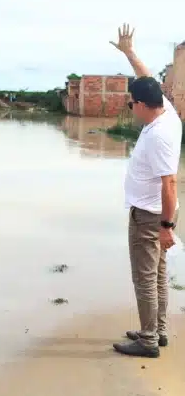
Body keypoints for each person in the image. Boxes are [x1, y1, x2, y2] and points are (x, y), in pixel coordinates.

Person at [110, 24, 182, 358]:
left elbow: (169, 182)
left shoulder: (158, 136)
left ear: (141, 105)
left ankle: (149, 340)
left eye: (130, 104)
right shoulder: (165, 113)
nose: (130, 109)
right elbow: (148, 78)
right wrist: (129, 53)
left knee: (145, 278)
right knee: (157, 275)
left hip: (150, 216)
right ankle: (158, 331)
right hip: (158, 213)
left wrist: (166, 227)